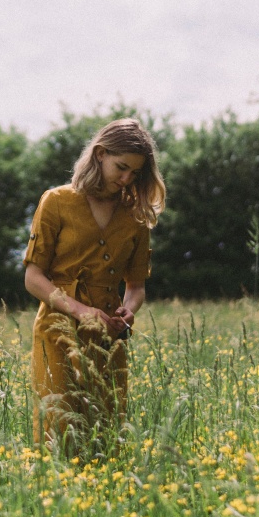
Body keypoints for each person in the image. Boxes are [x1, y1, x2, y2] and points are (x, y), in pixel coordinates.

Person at [24, 117, 166, 448]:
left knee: (105, 434)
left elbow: (136, 288)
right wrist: (80, 310)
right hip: (56, 329)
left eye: (136, 172)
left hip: (108, 336)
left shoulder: (136, 215)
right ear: (100, 154)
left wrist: (128, 312)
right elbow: (33, 278)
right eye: (122, 167)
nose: (127, 178)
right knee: (56, 434)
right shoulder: (56, 201)